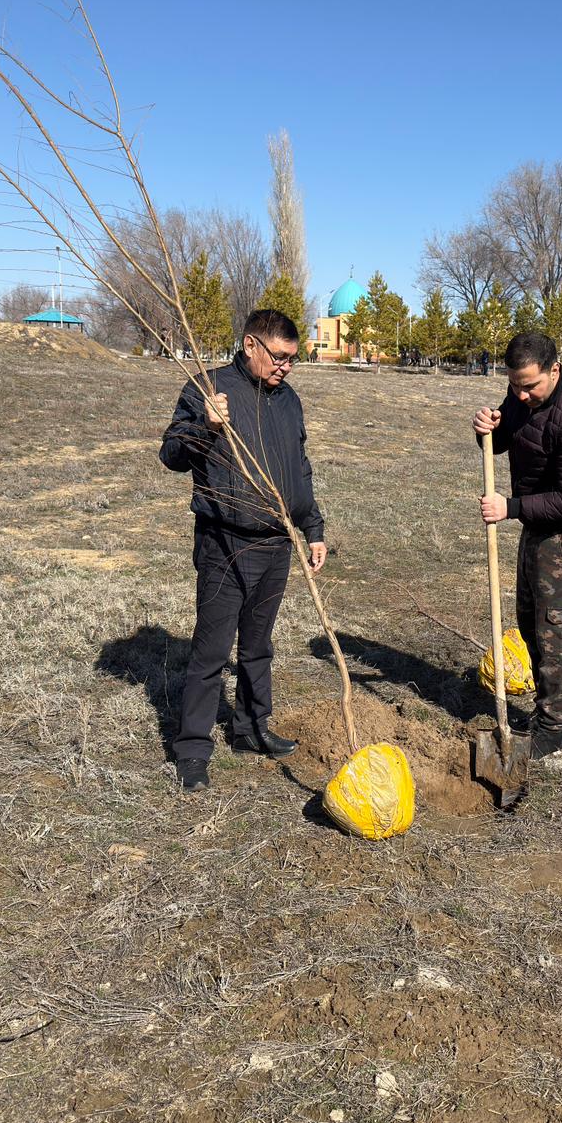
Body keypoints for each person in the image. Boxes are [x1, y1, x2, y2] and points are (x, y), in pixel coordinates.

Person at [160, 309, 326, 791]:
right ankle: (192, 749)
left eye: (294, 359)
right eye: (279, 357)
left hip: (276, 542)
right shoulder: (208, 389)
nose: (286, 367)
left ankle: (251, 727)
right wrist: (206, 426)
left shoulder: (288, 401)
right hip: (224, 543)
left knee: (258, 646)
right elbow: (170, 455)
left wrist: (312, 527)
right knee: (211, 651)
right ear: (251, 345)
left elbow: (300, 468)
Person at [474, 332, 562, 759]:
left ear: (555, 369)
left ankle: (554, 727)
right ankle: (552, 701)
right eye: (514, 385)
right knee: (529, 619)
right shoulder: (522, 396)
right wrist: (486, 430)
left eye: (530, 386)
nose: (521, 394)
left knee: (556, 627)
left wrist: (509, 507)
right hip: (536, 519)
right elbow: (507, 437)